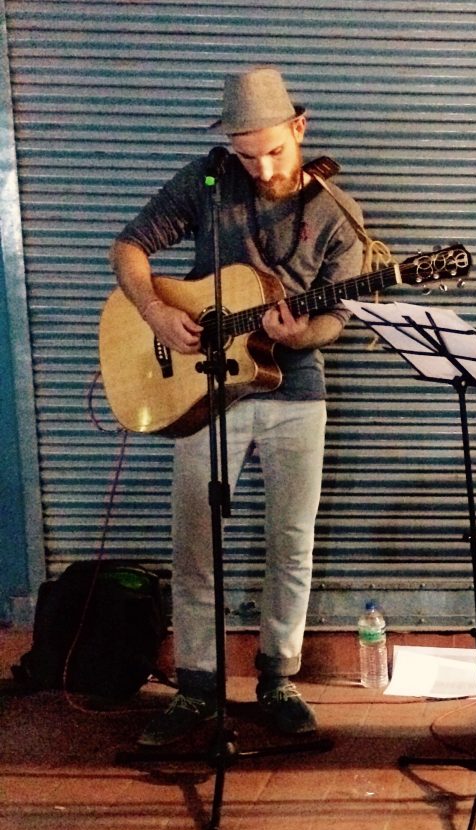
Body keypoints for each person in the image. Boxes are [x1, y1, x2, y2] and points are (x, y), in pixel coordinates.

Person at [109, 67, 365, 746]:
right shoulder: (207, 180)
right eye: (246, 153)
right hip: (203, 391)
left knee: (291, 540)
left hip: (295, 390)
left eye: (274, 150)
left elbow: (337, 319)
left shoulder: (337, 216)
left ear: (299, 129)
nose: (260, 165)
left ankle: (278, 678)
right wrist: (157, 311)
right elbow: (130, 247)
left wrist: (300, 333)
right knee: (195, 543)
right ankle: (196, 685)